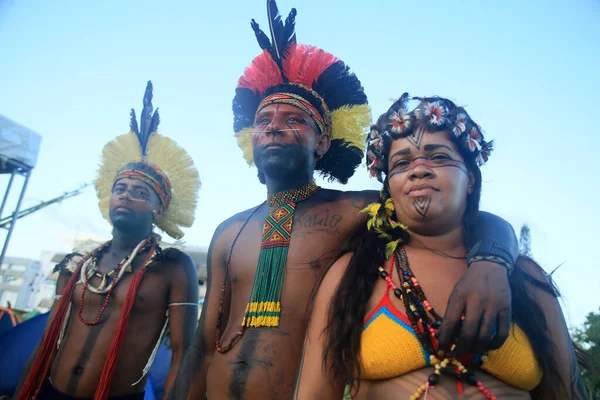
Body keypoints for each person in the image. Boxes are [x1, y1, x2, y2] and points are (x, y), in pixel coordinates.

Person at [171, 3, 519, 399]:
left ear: (322, 142)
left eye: (294, 119)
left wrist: (492, 262)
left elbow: (465, 217)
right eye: (264, 121)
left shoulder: (354, 211)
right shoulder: (229, 231)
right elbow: (201, 346)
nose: (275, 128)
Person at [293, 94, 589, 399]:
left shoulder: (524, 277)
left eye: (438, 157)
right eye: (402, 162)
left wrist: (493, 264)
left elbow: (567, 391)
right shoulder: (355, 274)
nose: (418, 169)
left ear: (471, 179)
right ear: (389, 188)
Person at [15, 82, 201, 400]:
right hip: (51, 391)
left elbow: (184, 354)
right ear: (109, 198)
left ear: (159, 208)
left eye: (140, 192)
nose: (126, 195)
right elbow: (48, 339)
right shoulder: (78, 264)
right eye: (120, 189)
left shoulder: (173, 268)